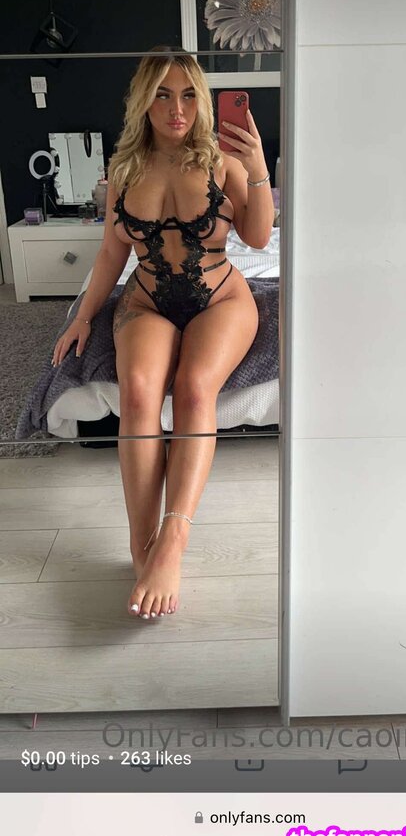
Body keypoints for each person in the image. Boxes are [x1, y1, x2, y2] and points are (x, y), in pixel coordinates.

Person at [51, 48, 274, 620]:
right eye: (163, 95)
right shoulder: (124, 170)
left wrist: (257, 168)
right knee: (138, 395)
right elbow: (111, 252)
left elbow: (256, 237)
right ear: (143, 102)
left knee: (196, 388)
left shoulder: (223, 161)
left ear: (203, 101)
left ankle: (173, 540)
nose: (177, 109)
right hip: (146, 299)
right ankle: (140, 543)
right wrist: (82, 316)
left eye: (189, 95)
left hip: (220, 297)